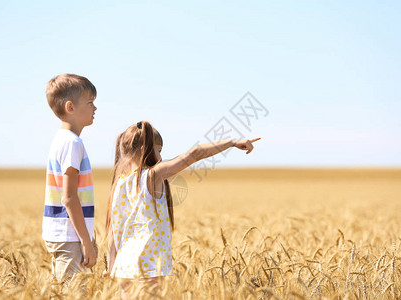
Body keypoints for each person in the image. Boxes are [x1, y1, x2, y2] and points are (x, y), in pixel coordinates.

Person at [105, 120, 260, 295]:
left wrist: (111, 268)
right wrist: (231, 142)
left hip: (123, 268)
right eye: (159, 150)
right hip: (149, 267)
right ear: (144, 149)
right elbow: (194, 154)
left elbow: (112, 231)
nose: (161, 157)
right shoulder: (152, 177)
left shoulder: (118, 184)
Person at [42, 73, 98, 283]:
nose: (95, 108)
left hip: (64, 234)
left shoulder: (61, 139)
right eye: (90, 102)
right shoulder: (72, 143)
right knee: (73, 293)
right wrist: (86, 241)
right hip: (69, 235)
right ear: (70, 107)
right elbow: (69, 198)